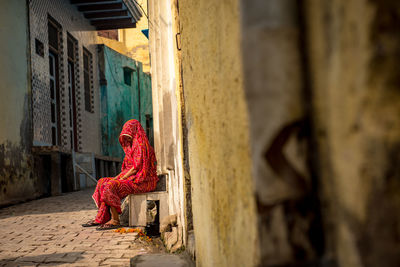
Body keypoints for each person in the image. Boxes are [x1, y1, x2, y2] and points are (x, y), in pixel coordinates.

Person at [82, 119, 159, 230]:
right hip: (133, 179)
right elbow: (127, 169)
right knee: (102, 182)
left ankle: (115, 219)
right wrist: (118, 177)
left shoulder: (141, 145)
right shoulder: (132, 147)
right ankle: (102, 217)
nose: (126, 138)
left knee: (111, 185)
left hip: (144, 181)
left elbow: (135, 168)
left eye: (128, 134)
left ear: (134, 131)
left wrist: (120, 178)